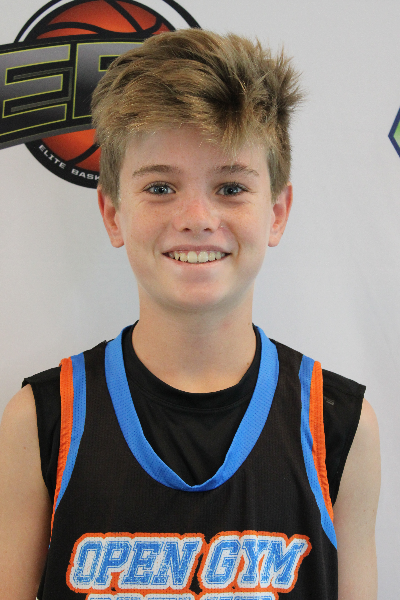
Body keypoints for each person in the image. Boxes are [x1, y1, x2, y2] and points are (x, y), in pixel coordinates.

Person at [0, 29, 380, 600]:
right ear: (112, 212)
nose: (197, 217)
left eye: (230, 187)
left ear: (277, 212)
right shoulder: (41, 420)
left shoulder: (340, 425)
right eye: (160, 187)